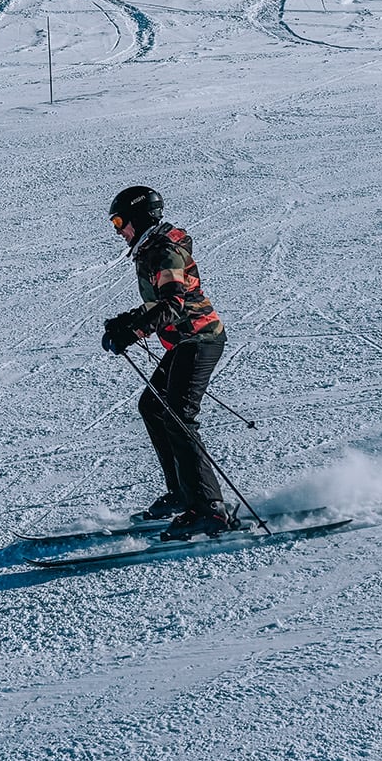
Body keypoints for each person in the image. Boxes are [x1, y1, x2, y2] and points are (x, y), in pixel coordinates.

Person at [100, 186, 240, 539]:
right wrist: (128, 321)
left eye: (119, 221)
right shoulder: (151, 248)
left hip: (200, 339)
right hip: (184, 341)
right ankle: (182, 492)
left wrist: (136, 332)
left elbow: (175, 303)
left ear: (138, 217)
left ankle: (208, 508)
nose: (118, 229)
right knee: (153, 405)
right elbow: (162, 303)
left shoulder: (164, 250)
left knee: (178, 414)